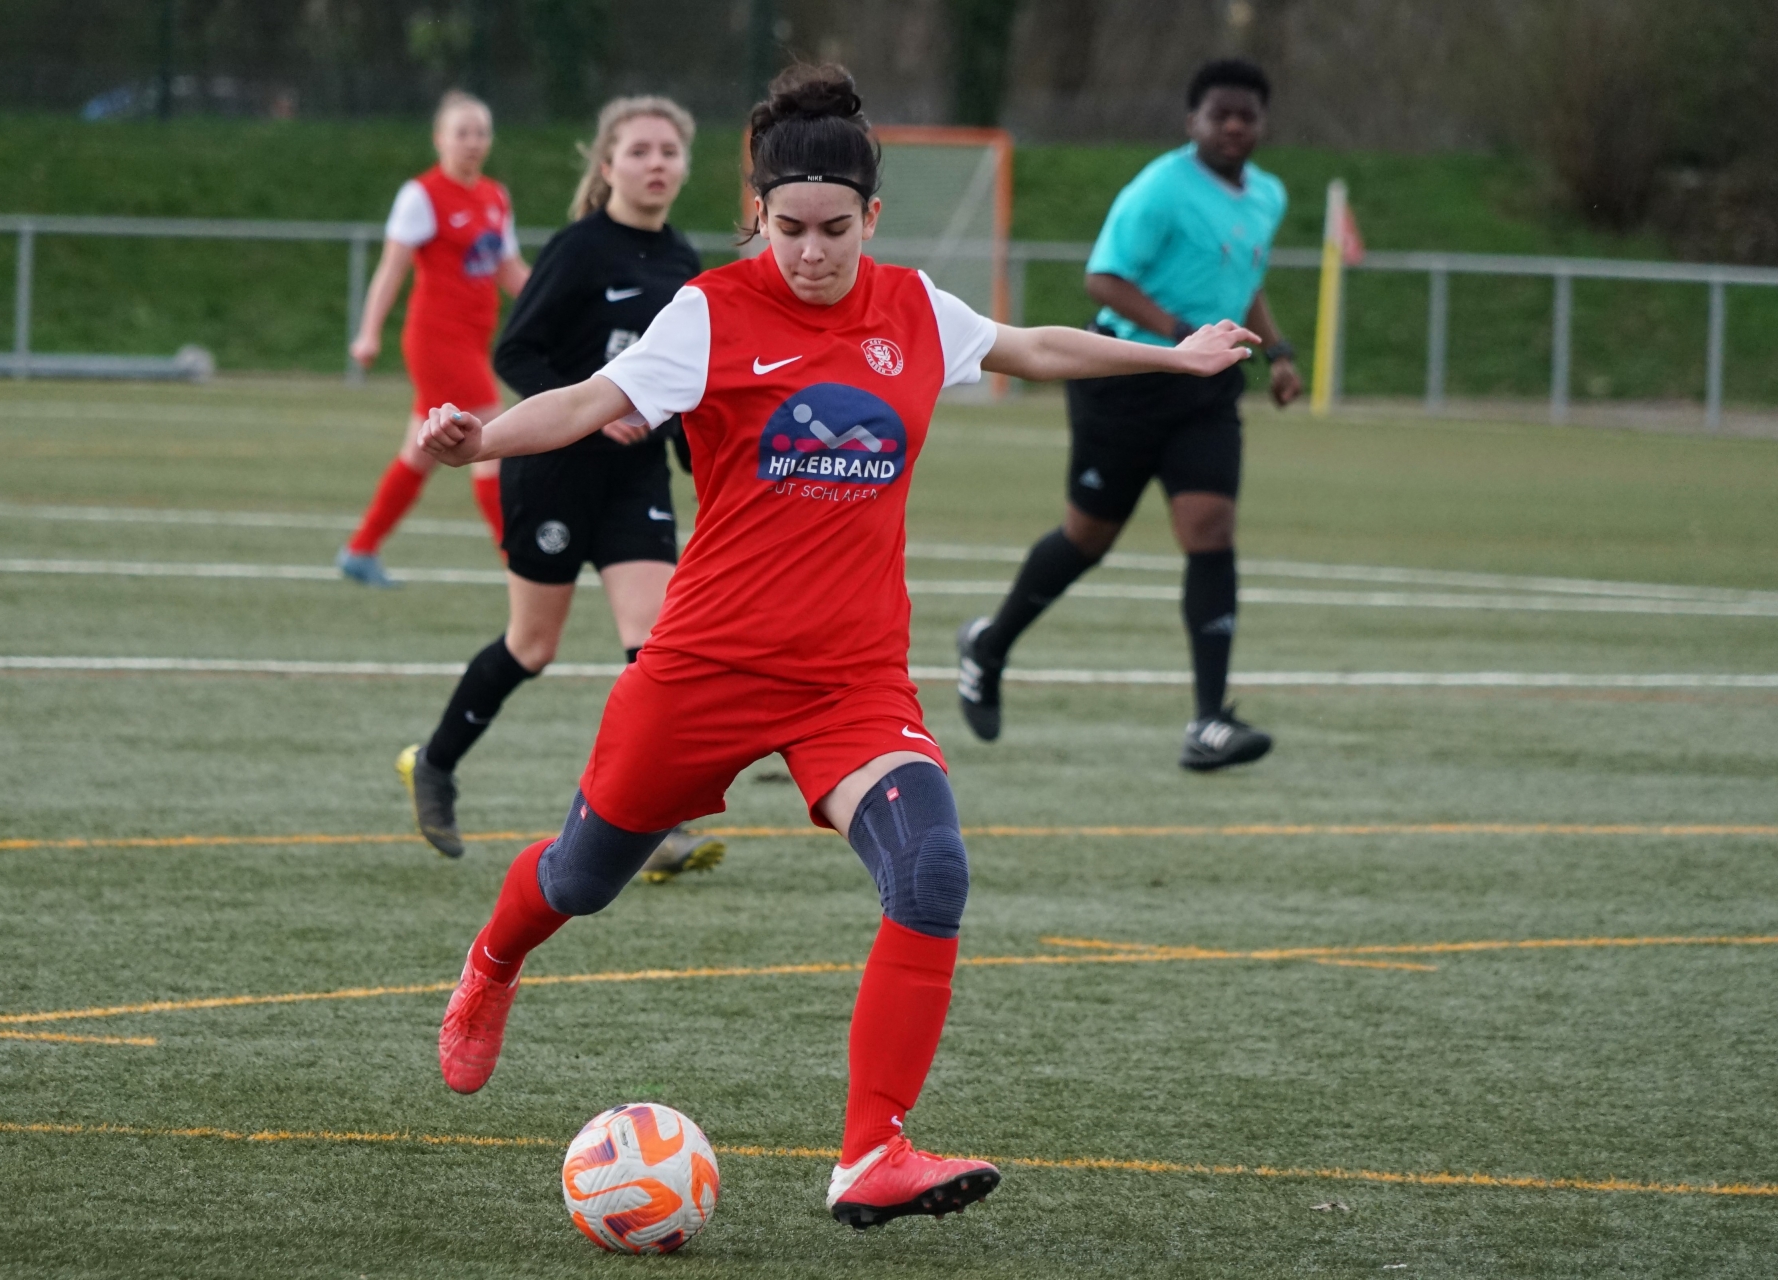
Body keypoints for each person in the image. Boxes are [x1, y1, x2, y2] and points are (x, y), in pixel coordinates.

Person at [415, 65, 1255, 1230]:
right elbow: (583, 400)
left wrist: (1177, 356)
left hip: (852, 680)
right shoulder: (709, 312)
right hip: (704, 668)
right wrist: (478, 441)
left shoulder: (914, 310)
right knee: (581, 878)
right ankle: (492, 964)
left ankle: (872, 1150)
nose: (811, 252)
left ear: (873, 216)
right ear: (757, 212)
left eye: (835, 229)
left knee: (932, 871)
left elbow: (1031, 346)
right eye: (789, 227)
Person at [396, 95, 722, 881]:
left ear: (684, 166)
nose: (655, 164)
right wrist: (590, 412)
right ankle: (434, 764)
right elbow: (517, 353)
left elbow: (687, 385)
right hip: (553, 472)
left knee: (655, 649)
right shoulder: (578, 250)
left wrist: (694, 457)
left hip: (636, 480)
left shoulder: (685, 265)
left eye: (668, 151)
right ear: (607, 165)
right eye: (639, 151)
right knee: (532, 646)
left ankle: (650, 821)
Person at [955, 58, 1302, 771]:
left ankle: (1209, 721)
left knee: (1210, 528)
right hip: (1127, 380)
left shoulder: (1267, 194)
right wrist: (1179, 337)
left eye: (1247, 115)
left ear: (1263, 123)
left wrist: (1277, 351)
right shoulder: (1158, 190)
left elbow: (1246, 278)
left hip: (1207, 386)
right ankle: (989, 646)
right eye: (1220, 114)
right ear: (1192, 121)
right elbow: (1103, 279)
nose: (1234, 126)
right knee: (1088, 537)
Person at [335, 89, 530, 587]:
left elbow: (509, 271)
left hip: (474, 341)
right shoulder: (422, 195)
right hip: (437, 341)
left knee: (418, 455)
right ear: (440, 139)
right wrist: (368, 333)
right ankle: (520, 564)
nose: (473, 142)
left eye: (481, 132)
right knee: (491, 440)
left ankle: (360, 550)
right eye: (462, 132)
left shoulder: (495, 196)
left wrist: (560, 307)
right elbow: (391, 268)